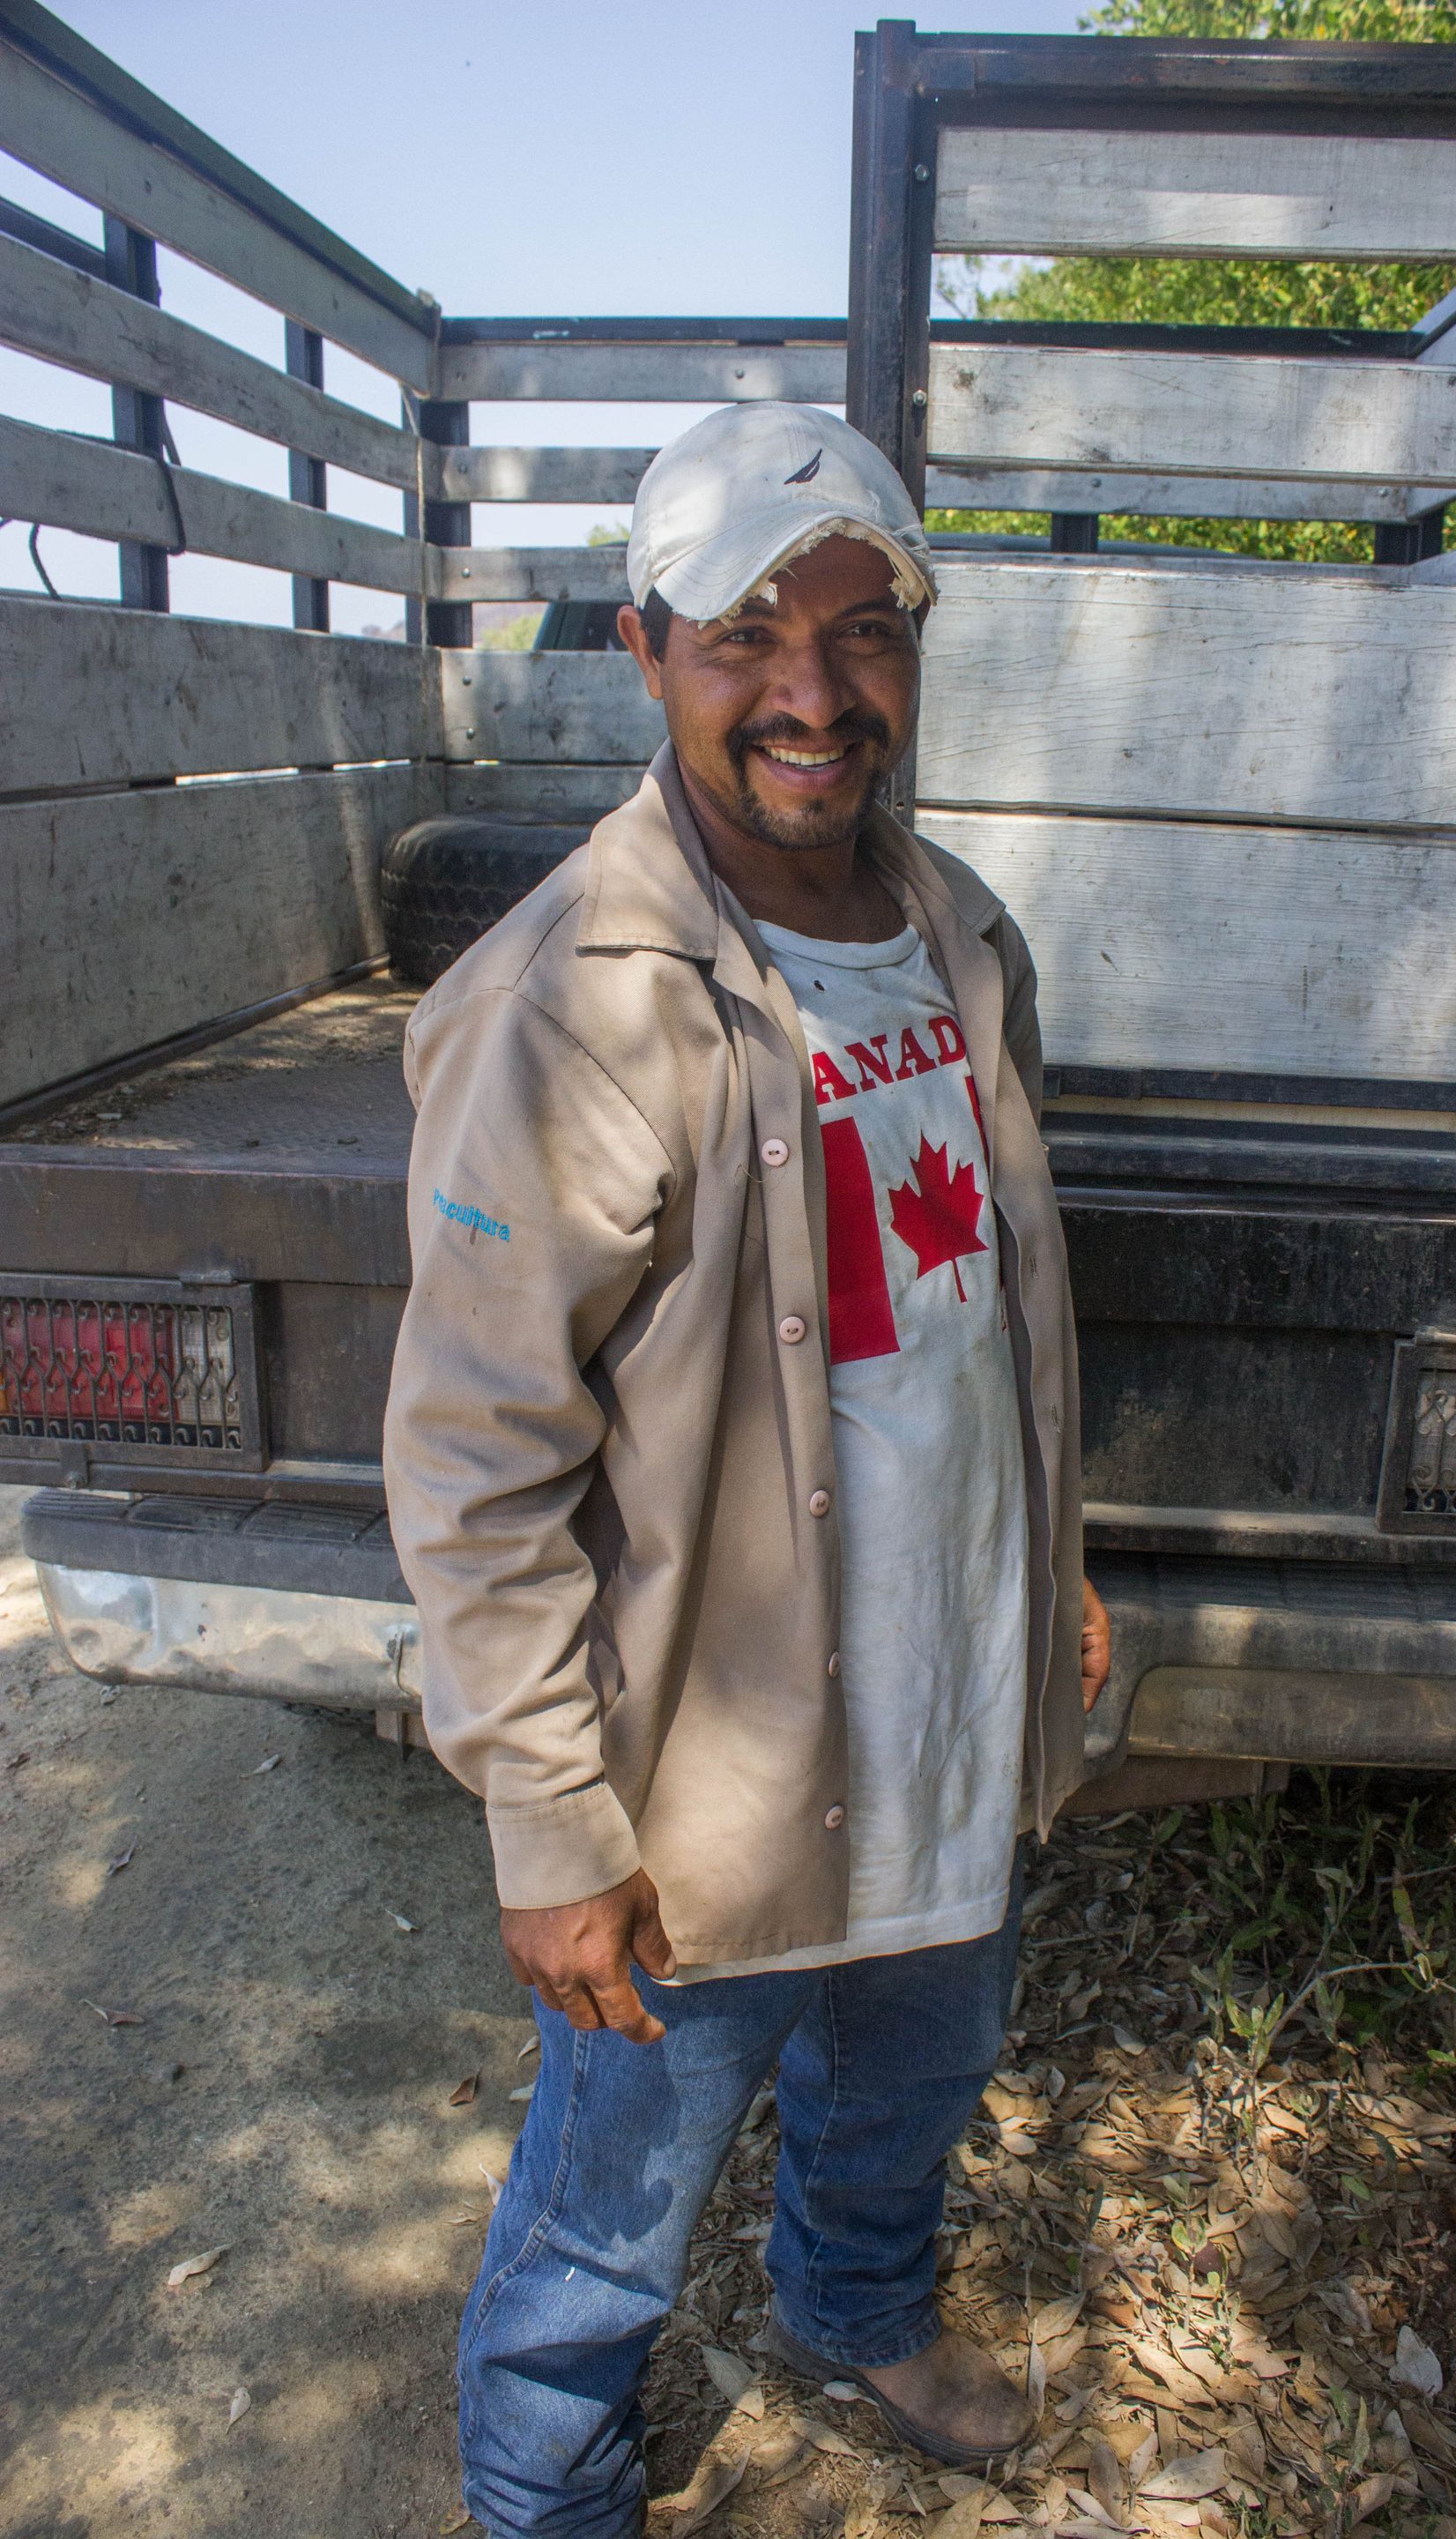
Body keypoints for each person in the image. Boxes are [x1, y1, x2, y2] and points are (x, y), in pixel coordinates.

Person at [384, 399, 1112, 2539]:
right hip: (700, 1770)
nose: (813, 692)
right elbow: (475, 1461)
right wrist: (546, 1815)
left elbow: (991, 1311)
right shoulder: (568, 1006)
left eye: (861, 629)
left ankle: (852, 2304)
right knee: (609, 2214)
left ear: (911, 649)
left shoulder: (963, 933)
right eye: (745, 638)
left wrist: (1043, 1561)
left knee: (914, 2084)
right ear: (648, 652)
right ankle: (549, 2488)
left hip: (952, 1705)